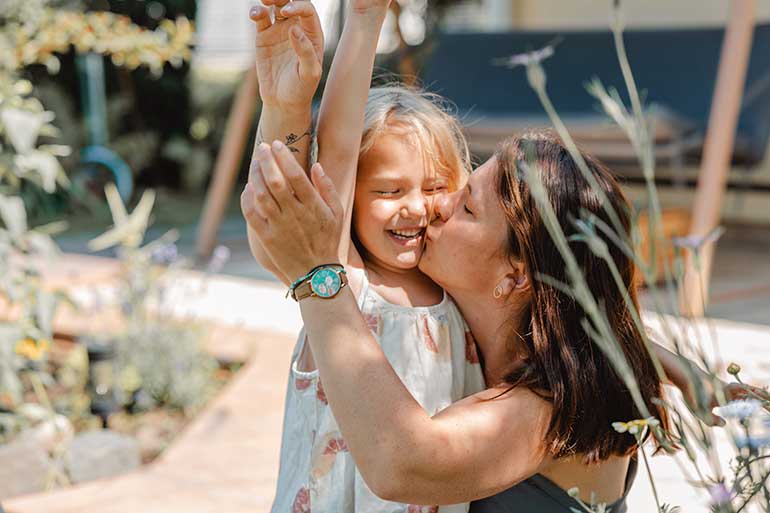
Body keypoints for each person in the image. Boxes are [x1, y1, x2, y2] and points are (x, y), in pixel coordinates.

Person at [243, 1, 757, 510]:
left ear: (515, 275)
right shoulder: (476, 323)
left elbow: (403, 462)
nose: (433, 207)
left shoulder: (552, 408)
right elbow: (320, 191)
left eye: (463, 203)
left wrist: (319, 277)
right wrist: (290, 102)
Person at [245, 2, 483, 512]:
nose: (415, 207)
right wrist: (365, 20)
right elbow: (336, 147)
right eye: (390, 190)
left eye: (435, 186)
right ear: (351, 199)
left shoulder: (460, 291)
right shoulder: (341, 280)